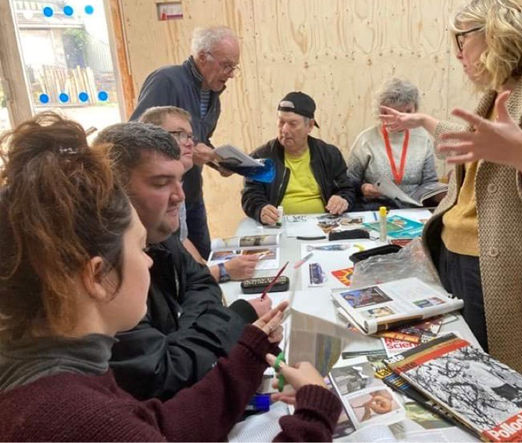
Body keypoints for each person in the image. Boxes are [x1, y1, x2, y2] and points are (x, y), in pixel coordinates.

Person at [0, 112, 342, 441]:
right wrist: (314, 413)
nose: (148, 261)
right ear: (97, 276)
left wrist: (248, 353)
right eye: (138, 248)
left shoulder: (64, 373)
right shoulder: (78, 419)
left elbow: (161, 425)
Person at [379, 0, 522, 440]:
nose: (456, 51)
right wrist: (424, 121)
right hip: (462, 262)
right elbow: (473, 143)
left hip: (504, 276)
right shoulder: (496, 94)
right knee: (473, 389)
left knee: (507, 399)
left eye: (462, 38)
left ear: (498, 30)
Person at [93, 122, 271, 400]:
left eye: (181, 180)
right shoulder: (106, 272)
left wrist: (181, 339)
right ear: (115, 191)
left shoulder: (161, 233)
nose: (180, 195)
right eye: (162, 183)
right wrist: (233, 318)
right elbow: (162, 374)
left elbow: (201, 281)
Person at [130, 26, 240, 260]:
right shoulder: (166, 80)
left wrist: (218, 161)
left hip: (190, 194)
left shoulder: (213, 97)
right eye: (226, 65)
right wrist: (180, 152)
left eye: (234, 67)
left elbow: (200, 139)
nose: (231, 74)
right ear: (202, 57)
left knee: (202, 259)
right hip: (164, 199)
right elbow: (136, 135)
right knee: (180, 265)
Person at [138, 105, 258, 283]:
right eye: (179, 134)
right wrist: (222, 271)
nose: (189, 143)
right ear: (152, 138)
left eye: (189, 136)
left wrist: (207, 270)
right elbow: (171, 278)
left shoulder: (179, 183)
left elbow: (182, 240)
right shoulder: (149, 198)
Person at [242, 91, 355, 224]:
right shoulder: (261, 157)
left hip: (324, 225)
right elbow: (250, 195)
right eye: (281, 122)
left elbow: (347, 188)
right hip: (278, 226)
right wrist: (260, 209)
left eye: (292, 124)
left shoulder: (328, 154)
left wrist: (342, 198)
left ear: (310, 126)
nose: (284, 129)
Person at [347, 78, 446, 210]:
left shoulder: (423, 137)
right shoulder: (366, 139)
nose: (404, 118)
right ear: (383, 112)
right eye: (397, 113)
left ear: (415, 109)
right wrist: (363, 188)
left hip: (414, 209)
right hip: (376, 208)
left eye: (408, 112)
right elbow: (349, 180)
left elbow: (429, 182)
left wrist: (442, 193)